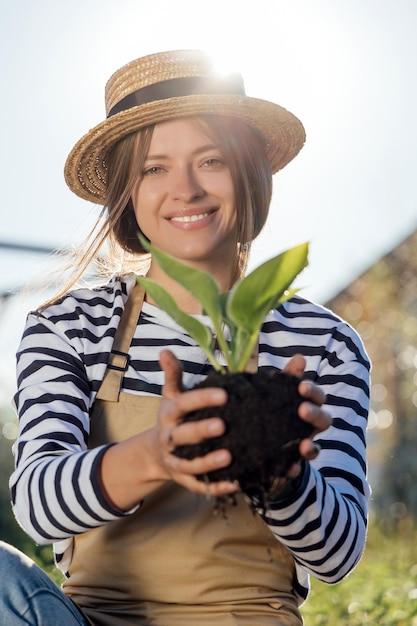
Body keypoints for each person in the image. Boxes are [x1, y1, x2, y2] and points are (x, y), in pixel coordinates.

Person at [2, 49, 370, 625]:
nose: (186, 189)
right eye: (154, 168)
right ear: (127, 191)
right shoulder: (70, 324)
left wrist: (282, 476)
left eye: (212, 160)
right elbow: (38, 505)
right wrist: (155, 454)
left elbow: (340, 554)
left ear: (249, 174)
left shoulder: (321, 341)